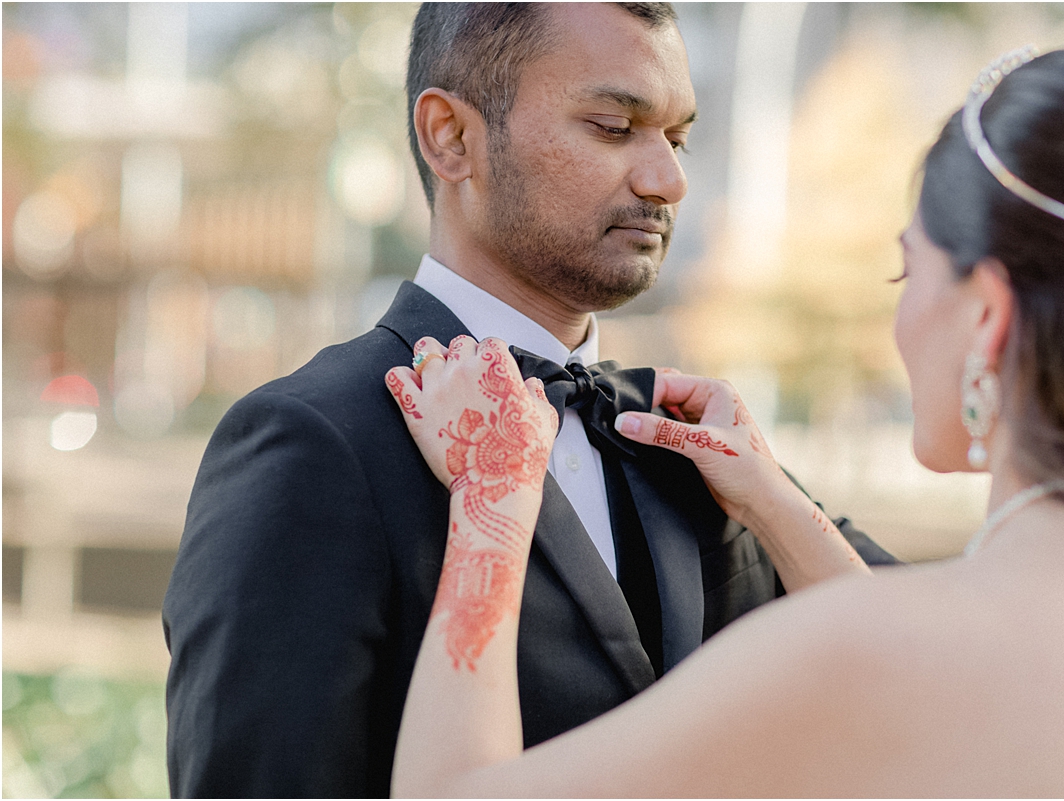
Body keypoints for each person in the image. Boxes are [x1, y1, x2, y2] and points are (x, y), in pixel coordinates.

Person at [387, 44, 1064, 797]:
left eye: (907, 269)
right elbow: (924, 677)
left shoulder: (863, 654)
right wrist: (774, 502)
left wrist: (492, 500)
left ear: (987, 314)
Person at [162, 3, 893, 797]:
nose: (667, 179)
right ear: (451, 136)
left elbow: (927, 672)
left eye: (677, 138)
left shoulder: (698, 441)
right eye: (615, 126)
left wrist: (778, 501)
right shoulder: (313, 441)